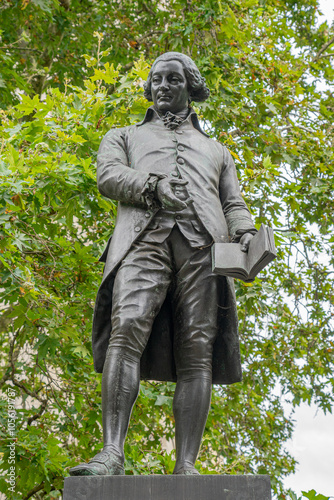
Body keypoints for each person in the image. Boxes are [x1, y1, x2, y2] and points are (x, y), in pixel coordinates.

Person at [69, 51, 256, 477]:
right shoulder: (124, 136)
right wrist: (152, 186)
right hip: (142, 242)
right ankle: (111, 454)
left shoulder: (217, 150)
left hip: (203, 251)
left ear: (190, 85)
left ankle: (186, 464)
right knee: (126, 329)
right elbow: (108, 175)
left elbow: (233, 204)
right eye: (156, 79)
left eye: (172, 79)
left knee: (198, 351)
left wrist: (245, 233)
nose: (162, 86)